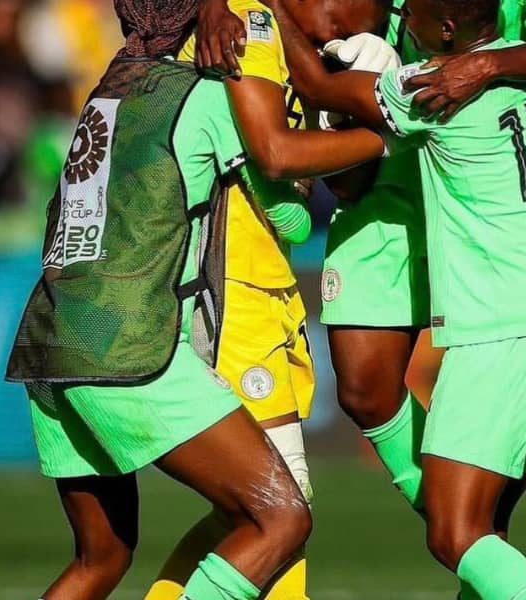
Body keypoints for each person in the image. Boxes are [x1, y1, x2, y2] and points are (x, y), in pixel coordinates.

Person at [5, 1, 389, 599]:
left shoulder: (105, 92)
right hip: (130, 342)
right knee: (281, 517)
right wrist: (379, 136)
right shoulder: (205, 96)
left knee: (100, 560)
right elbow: (289, 210)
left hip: (49, 338)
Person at [261, 0, 526, 598]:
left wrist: (268, 13)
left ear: (445, 28)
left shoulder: (433, 89)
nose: (402, 15)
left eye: (412, 10)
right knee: (480, 485)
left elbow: (315, 91)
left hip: (502, 319)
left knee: (456, 532)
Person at [143, 1, 393, 599]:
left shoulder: (299, 49)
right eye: (360, 7)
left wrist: (355, 99)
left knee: (257, 512)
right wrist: (386, 131)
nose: (360, 25)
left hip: (264, 282)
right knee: (280, 503)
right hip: (229, 280)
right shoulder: (249, 20)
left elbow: (342, 185)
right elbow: (276, 156)